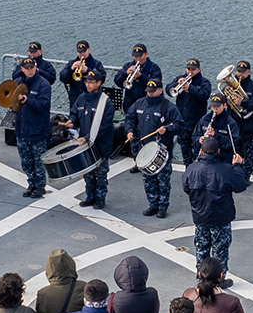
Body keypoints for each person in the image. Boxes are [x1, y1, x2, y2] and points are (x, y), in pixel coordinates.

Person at [183, 134, 249, 270]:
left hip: (201, 217)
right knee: (220, 253)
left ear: (201, 151)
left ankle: (201, 279)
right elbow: (241, 185)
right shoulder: (226, 170)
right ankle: (219, 280)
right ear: (218, 151)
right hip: (220, 218)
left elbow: (186, 187)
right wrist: (237, 166)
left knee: (201, 251)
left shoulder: (192, 169)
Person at [124, 78, 181, 218]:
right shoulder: (140, 103)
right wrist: (129, 130)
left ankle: (162, 206)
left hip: (162, 148)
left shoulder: (168, 107)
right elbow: (130, 117)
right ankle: (152, 204)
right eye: (148, 91)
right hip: (145, 148)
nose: (149, 94)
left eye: (153, 91)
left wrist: (166, 129)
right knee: (148, 179)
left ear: (160, 90)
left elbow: (179, 125)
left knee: (163, 180)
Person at [70, 68, 116, 209]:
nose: (88, 85)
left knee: (101, 173)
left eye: (91, 82)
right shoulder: (82, 98)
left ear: (99, 83)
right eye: (86, 82)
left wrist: (87, 137)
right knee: (88, 173)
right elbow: (74, 113)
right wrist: (71, 121)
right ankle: (90, 196)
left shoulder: (105, 102)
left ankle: (100, 198)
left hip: (101, 144)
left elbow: (104, 125)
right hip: (85, 144)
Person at [12, 56, 53, 199]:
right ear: (22, 69)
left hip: (38, 130)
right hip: (22, 129)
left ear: (36, 67)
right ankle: (31, 183)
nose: (29, 71)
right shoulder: (17, 83)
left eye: (31, 68)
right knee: (26, 161)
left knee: (38, 161)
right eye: (26, 68)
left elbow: (43, 105)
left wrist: (27, 100)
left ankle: (40, 186)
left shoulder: (43, 84)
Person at [170, 59, 211, 171]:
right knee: (185, 149)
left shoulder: (204, 82)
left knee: (198, 149)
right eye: (188, 69)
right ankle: (188, 170)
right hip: (183, 122)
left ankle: (197, 170)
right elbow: (169, 90)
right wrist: (176, 83)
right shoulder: (180, 79)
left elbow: (204, 95)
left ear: (199, 69)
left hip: (197, 123)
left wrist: (190, 88)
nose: (190, 72)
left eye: (193, 69)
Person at [230, 61, 253, 180]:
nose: (240, 74)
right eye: (238, 71)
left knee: (248, 152)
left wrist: (242, 102)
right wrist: (226, 93)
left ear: (249, 72)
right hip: (234, 123)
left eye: (243, 72)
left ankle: (246, 176)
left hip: (249, 124)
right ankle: (235, 173)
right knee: (234, 149)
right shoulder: (230, 85)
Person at [194, 94, 241, 163]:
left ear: (225, 105)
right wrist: (199, 140)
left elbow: (233, 144)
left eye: (218, 107)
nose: (215, 109)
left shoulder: (230, 123)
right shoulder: (204, 119)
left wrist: (216, 135)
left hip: (223, 160)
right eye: (213, 106)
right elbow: (195, 136)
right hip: (205, 159)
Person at [59, 39, 105, 109]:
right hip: (75, 98)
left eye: (84, 51)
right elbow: (63, 78)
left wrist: (88, 70)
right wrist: (71, 69)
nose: (82, 54)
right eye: (79, 52)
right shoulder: (71, 63)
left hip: (91, 97)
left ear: (89, 50)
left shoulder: (96, 64)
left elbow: (102, 78)